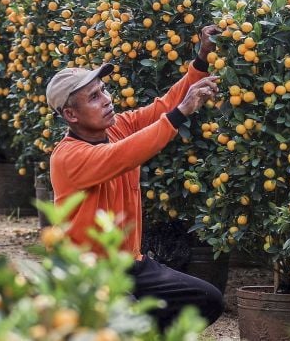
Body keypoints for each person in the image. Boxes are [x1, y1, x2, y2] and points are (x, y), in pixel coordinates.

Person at [45, 25, 224, 330]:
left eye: (104, 90)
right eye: (93, 97)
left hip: (132, 265)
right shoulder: (67, 157)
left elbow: (163, 107)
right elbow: (124, 154)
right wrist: (181, 112)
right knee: (121, 319)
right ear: (71, 115)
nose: (106, 99)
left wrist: (202, 59)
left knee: (207, 299)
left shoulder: (115, 128)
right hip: (88, 275)